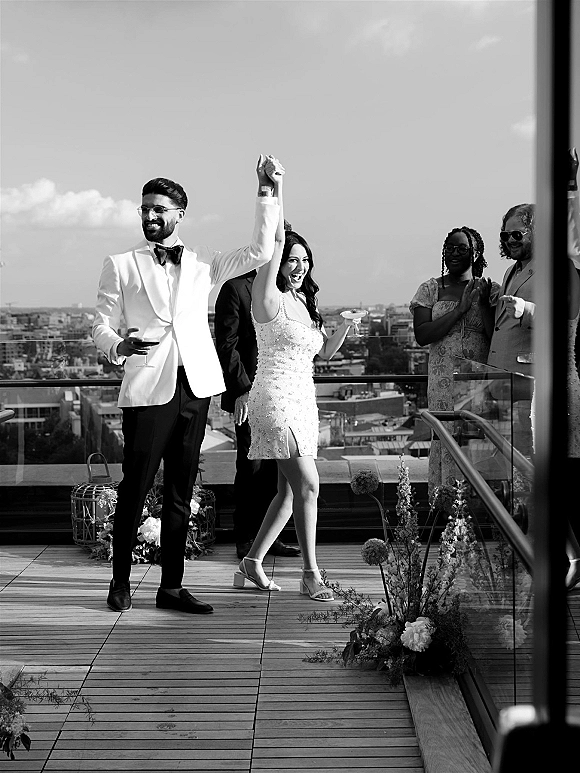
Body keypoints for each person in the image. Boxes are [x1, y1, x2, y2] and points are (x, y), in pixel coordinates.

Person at [92, 157, 280, 613]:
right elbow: (99, 325)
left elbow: (259, 250)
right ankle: (120, 582)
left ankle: (170, 588)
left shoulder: (203, 266)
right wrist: (119, 345)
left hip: (194, 389)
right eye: (144, 209)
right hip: (148, 388)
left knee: (181, 491)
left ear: (180, 214)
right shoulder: (120, 264)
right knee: (134, 489)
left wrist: (266, 191)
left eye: (159, 209)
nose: (150, 216)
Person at [231, 156, 357, 601]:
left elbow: (321, 352)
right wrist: (272, 187)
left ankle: (251, 561)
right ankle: (311, 574)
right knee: (309, 484)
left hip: (304, 401)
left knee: (288, 492)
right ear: (278, 261)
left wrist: (341, 326)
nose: (298, 265)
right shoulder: (267, 298)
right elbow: (276, 234)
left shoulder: (304, 303)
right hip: (273, 399)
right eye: (291, 258)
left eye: (305, 260)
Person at [214, 265, 301, 560]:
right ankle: (246, 537)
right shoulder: (236, 288)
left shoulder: (286, 288)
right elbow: (227, 345)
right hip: (250, 393)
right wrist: (242, 390)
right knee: (252, 467)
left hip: (284, 393)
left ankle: (269, 537)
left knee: (277, 472)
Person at [410, 226, 497, 498]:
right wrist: (460, 310)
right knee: (446, 438)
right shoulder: (430, 289)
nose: (454, 253)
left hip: (479, 380)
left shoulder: (489, 289)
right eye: (450, 248)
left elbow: (495, 335)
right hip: (442, 381)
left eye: (462, 248)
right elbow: (423, 335)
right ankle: (447, 508)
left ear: (477, 253)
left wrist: (480, 304)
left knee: (477, 438)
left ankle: (479, 513)